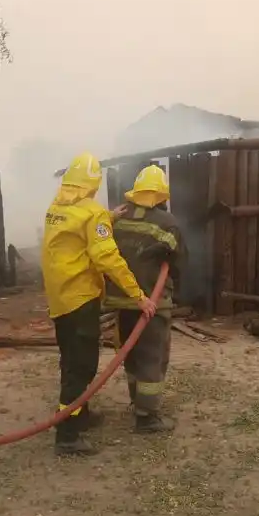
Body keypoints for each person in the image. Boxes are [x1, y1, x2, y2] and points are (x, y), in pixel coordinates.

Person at [41, 152, 157, 456]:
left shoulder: (57, 208)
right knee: (82, 366)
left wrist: (110, 217)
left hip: (59, 298)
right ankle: (67, 436)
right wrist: (139, 295)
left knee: (70, 359)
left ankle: (81, 413)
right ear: (93, 183)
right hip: (81, 299)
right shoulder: (91, 214)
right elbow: (109, 258)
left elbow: (80, 229)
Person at [104, 164, 187, 434]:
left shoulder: (119, 217)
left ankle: (136, 400)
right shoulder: (167, 222)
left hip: (121, 300)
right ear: (162, 195)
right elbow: (179, 259)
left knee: (131, 354)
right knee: (152, 357)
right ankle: (147, 417)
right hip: (151, 302)